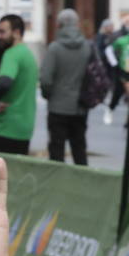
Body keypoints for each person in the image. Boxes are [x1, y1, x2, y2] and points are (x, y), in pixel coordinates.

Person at [40, 8, 92, 165]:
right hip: (80, 107)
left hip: (58, 108)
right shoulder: (87, 47)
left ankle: (57, 185)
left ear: (58, 25)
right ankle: (82, 182)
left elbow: (46, 80)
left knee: (57, 152)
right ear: (77, 24)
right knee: (79, 149)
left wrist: (49, 95)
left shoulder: (54, 48)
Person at [0, 14, 37, 155]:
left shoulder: (11, 54)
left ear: (16, 32)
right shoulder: (27, 53)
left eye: (2, 32)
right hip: (24, 127)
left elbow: (5, 83)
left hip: (7, 127)